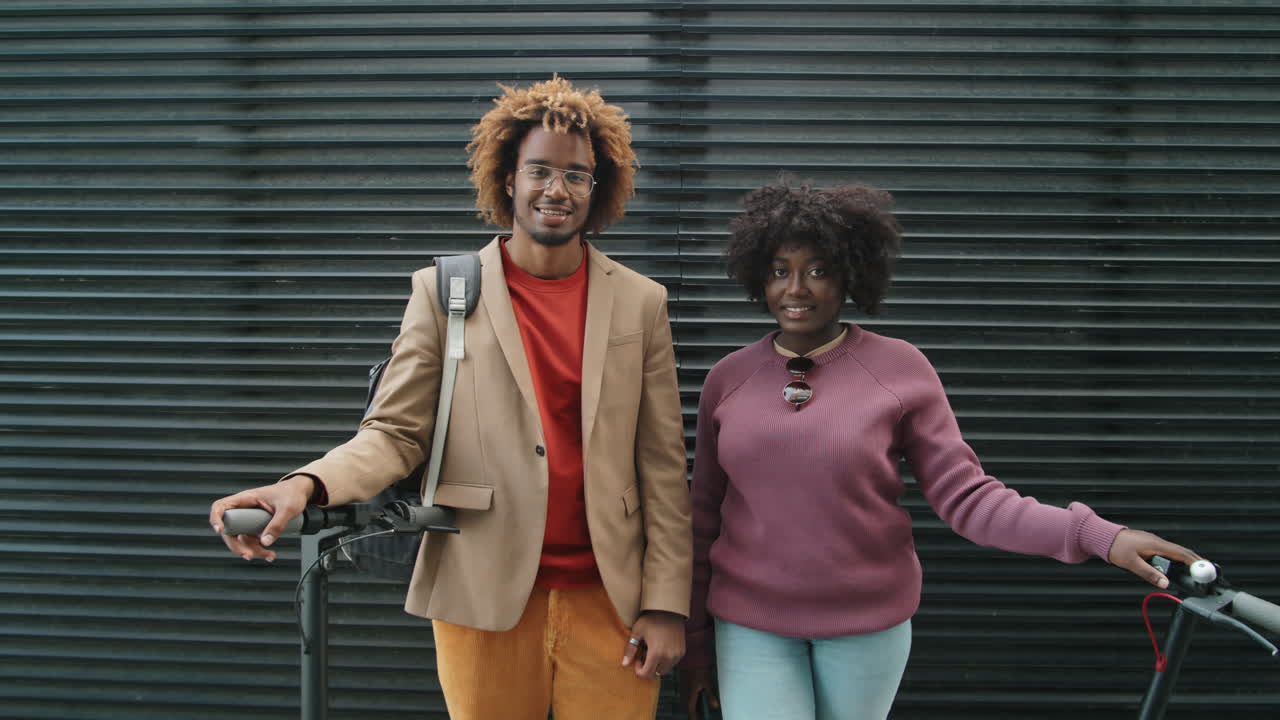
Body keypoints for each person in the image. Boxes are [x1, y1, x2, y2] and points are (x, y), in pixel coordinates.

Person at [208, 75, 691, 720]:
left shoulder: (642, 301)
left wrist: (665, 603)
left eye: (576, 175)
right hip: (481, 592)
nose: (557, 189)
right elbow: (394, 433)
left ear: (598, 186)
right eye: (539, 170)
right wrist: (304, 485)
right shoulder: (445, 292)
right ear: (508, 178)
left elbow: (662, 465)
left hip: (612, 599)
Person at [678, 180, 1201, 720]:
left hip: (866, 628)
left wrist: (1098, 536)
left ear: (850, 274)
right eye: (779, 270)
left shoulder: (899, 369)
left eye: (818, 270)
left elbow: (970, 499)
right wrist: (694, 644)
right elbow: (700, 521)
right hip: (750, 625)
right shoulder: (729, 379)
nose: (796, 289)